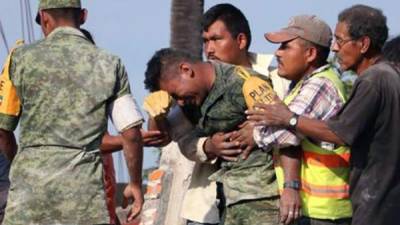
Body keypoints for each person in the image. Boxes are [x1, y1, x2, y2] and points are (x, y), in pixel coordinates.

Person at [247, 5, 399, 225]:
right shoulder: (387, 76)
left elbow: (340, 132)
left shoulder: (373, 80)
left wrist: (288, 119)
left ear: (363, 44)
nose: (335, 49)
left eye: (340, 41)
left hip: (372, 202)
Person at [0, 0, 144, 224]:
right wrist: (135, 184)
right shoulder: (110, 63)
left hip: (28, 199)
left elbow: (3, 129)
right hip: (84, 199)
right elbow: (132, 132)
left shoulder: (19, 59)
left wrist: (21, 165)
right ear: (83, 17)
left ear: (44, 18)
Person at [143, 4, 289, 225]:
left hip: (263, 197)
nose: (209, 48)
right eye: (205, 41)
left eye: (216, 39)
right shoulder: (192, 93)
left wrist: (258, 129)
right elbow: (167, 136)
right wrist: (208, 145)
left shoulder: (276, 75)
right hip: (208, 203)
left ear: (240, 40)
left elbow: (292, 128)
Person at [247, 15, 352, 225]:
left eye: (286, 47)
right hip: (312, 209)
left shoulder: (320, 85)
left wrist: (253, 130)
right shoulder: (301, 85)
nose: (277, 53)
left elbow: (283, 135)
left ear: (310, 54)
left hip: (322, 212)